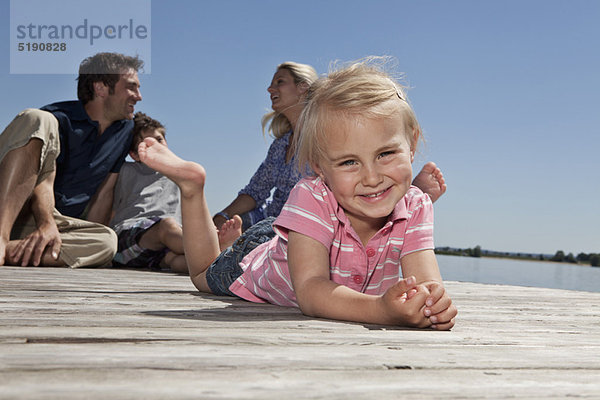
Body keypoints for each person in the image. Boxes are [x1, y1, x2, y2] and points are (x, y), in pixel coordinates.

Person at [138, 58, 457, 329]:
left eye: (386, 153)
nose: (371, 177)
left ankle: (223, 243)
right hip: (262, 257)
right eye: (349, 161)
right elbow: (310, 291)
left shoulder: (415, 204)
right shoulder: (311, 194)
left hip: (297, 231)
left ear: (412, 143)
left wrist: (431, 306)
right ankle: (193, 188)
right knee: (202, 275)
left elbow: (428, 287)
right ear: (318, 166)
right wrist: (382, 310)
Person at [213, 62, 447, 231]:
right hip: (271, 220)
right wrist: (222, 216)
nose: (269, 89)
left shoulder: (332, 139)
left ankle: (407, 201)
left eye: (280, 82)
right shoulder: (280, 146)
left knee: (192, 247)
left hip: (313, 225)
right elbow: (255, 191)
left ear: (303, 87)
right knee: (182, 246)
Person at [0, 52, 143, 268]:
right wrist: (46, 222)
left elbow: (105, 193)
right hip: (13, 207)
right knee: (36, 118)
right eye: (131, 86)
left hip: (45, 223)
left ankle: (11, 250)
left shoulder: (125, 131)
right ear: (101, 88)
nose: (138, 96)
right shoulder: (57, 118)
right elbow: (43, 182)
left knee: (106, 242)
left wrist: (94, 253)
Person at [109, 112, 239, 273]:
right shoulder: (126, 170)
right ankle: (216, 247)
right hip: (130, 241)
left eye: (159, 140)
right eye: (147, 144)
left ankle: (222, 267)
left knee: (179, 262)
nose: (157, 146)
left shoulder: (177, 173)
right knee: (167, 225)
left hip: (166, 246)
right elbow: (111, 209)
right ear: (134, 154)